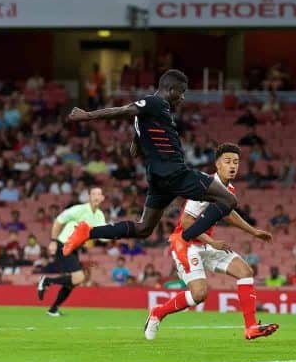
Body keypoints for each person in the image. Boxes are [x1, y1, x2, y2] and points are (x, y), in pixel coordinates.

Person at [61, 70, 238, 263]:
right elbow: (125, 110)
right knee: (228, 200)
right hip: (174, 172)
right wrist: (88, 116)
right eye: (181, 92)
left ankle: (88, 232)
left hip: (158, 177)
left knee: (144, 228)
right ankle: (183, 239)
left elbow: (135, 148)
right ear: (170, 90)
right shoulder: (154, 103)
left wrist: (141, 142)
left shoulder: (149, 114)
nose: (183, 97)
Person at [144, 143, 278, 341]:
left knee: (245, 271)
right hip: (186, 243)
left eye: (236, 162)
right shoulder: (203, 187)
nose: (233, 166)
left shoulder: (228, 189)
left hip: (206, 243)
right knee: (199, 295)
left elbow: (229, 214)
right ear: (217, 165)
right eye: (228, 161)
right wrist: (212, 242)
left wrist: (254, 231)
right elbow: (187, 223)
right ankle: (158, 312)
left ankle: (250, 328)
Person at [37, 187, 106, 316]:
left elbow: (102, 235)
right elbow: (59, 221)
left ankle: (53, 309)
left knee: (72, 283)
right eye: (93, 193)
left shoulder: (99, 215)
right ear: (89, 197)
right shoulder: (79, 210)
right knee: (79, 277)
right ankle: (46, 281)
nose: (96, 196)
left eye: (99, 194)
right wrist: (53, 240)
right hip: (64, 244)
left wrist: (116, 233)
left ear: (103, 198)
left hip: (74, 249)